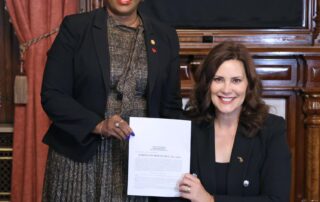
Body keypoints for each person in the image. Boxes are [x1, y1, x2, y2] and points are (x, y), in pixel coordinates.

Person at [40, 0, 182, 201]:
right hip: (80, 157)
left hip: (138, 159)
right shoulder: (76, 27)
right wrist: (98, 125)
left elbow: (171, 106)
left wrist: (177, 156)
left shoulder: (165, 36)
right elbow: (52, 95)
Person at [159, 41, 291, 202]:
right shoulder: (186, 126)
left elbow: (277, 199)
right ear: (207, 84)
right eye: (218, 79)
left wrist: (210, 200)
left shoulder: (272, 129)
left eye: (236, 80)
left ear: (248, 85)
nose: (227, 89)